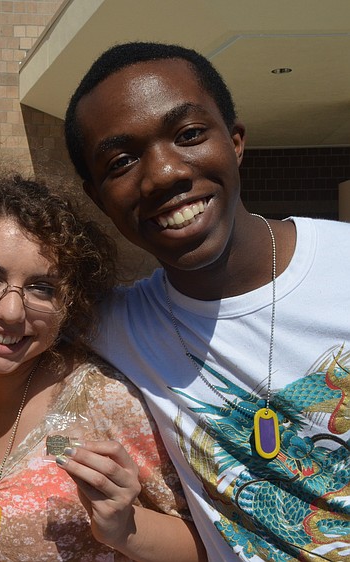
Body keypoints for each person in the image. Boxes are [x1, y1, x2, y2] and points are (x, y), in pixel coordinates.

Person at [65, 41, 350, 561]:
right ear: (97, 197)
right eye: (121, 161)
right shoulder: (115, 324)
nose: (165, 174)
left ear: (236, 141)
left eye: (189, 135)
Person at [0, 175, 205, 561]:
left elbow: (209, 542)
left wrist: (126, 529)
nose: (11, 311)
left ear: (68, 304)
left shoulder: (103, 400)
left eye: (42, 288)